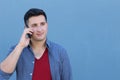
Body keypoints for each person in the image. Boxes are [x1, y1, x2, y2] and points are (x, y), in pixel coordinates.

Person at [0, 8, 72, 80]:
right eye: (34, 25)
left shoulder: (60, 52)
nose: (39, 29)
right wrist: (20, 46)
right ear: (26, 28)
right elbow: (2, 74)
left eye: (42, 24)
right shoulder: (17, 49)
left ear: (47, 25)